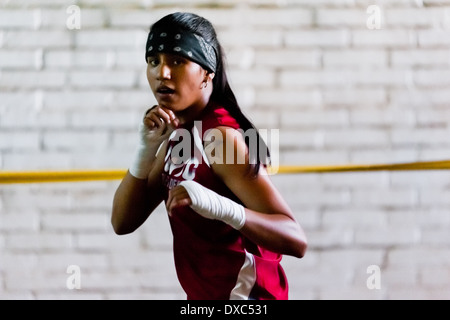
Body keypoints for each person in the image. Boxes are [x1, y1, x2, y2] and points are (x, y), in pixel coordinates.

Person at [111, 11, 307, 300]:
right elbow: (123, 222)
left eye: (177, 61)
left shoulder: (219, 136)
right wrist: (145, 152)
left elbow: (295, 239)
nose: (162, 73)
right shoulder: (179, 134)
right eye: (154, 61)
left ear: (206, 73)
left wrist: (220, 206)